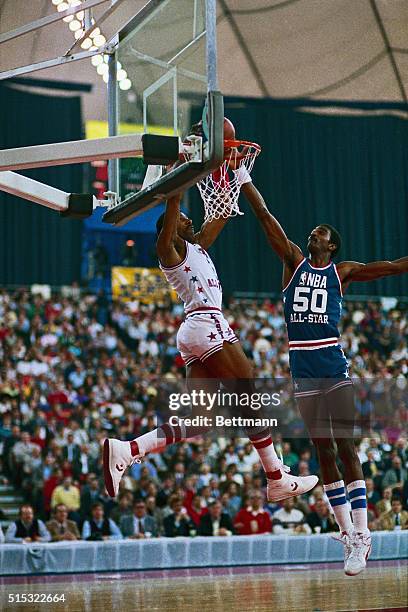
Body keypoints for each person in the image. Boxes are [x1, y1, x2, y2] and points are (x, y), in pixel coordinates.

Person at [104, 192, 318, 503]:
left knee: (200, 421)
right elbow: (174, 208)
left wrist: (230, 181)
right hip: (205, 323)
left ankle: (129, 449)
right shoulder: (168, 249)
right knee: (248, 392)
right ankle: (275, 477)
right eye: (183, 219)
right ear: (173, 226)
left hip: (196, 331)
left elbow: (219, 216)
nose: (191, 221)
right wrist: (174, 181)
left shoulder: (196, 247)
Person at [243, 172, 408, 575]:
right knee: (323, 451)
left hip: (332, 364)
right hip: (302, 366)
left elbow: (388, 267)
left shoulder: (342, 272)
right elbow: (265, 216)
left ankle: (365, 534)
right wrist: (244, 178)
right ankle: (347, 534)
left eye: (319, 234)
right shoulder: (292, 262)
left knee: (347, 446)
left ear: (330, 244)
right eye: (312, 233)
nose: (311, 235)